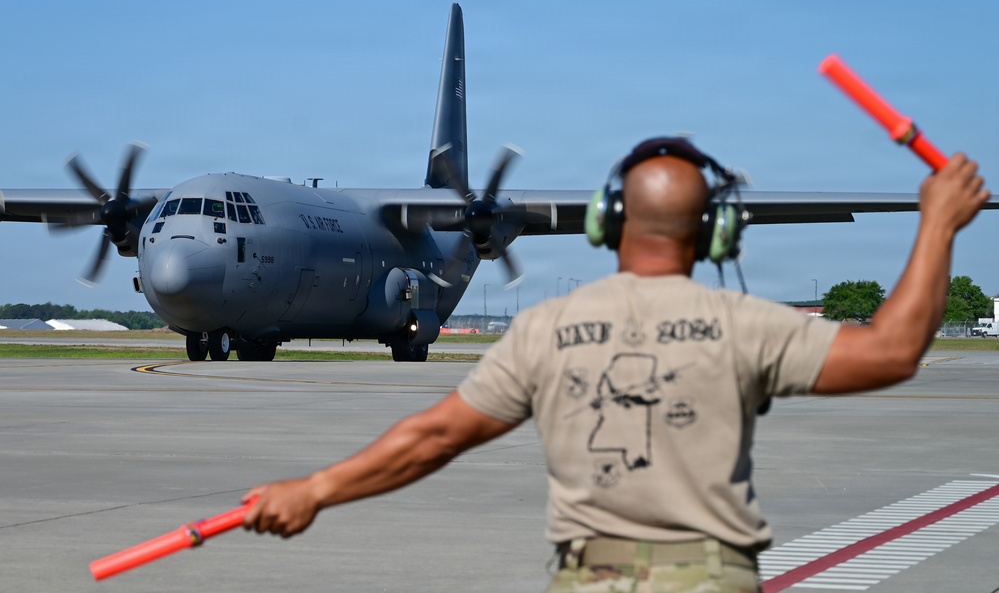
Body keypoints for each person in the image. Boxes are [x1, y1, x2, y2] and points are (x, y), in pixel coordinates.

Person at [242, 137, 989, 592]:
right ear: (715, 233)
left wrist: (313, 489)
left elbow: (432, 438)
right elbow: (893, 350)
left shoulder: (548, 332)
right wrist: (937, 225)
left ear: (604, 223)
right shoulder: (746, 327)